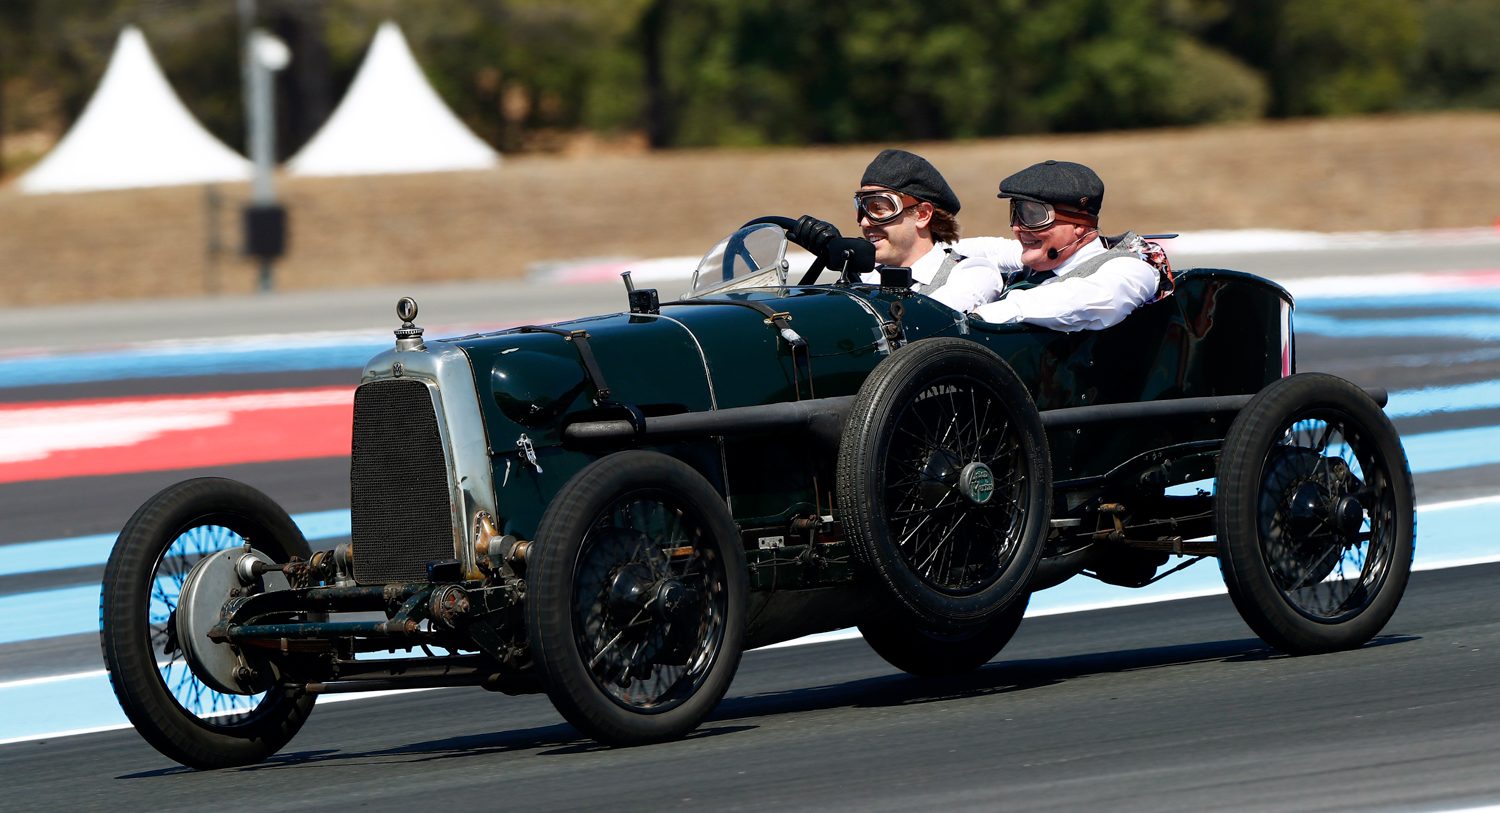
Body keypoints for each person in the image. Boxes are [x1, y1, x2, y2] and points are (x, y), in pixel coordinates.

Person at [959, 160, 1164, 332]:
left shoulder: (1132, 270)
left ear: (1079, 225)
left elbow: (1083, 299)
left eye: (1033, 215)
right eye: (1015, 213)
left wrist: (981, 316)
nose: (1017, 227)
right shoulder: (1042, 257)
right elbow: (989, 249)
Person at [843, 149, 1005, 312]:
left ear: (922, 214)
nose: (864, 222)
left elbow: (922, 321)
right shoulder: (864, 277)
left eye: (878, 208)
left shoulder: (972, 274)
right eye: (861, 208)